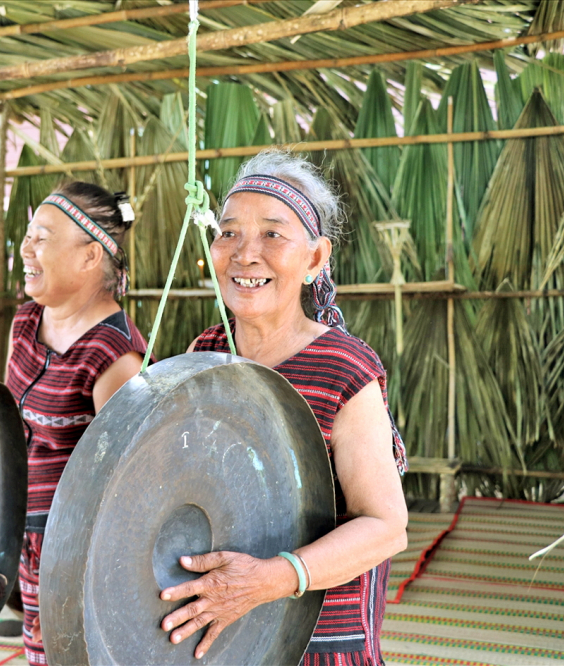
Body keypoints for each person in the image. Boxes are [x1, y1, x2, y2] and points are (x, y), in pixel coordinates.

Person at [161, 150, 408, 665]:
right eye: (228, 233)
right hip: (225, 637)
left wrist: (270, 579)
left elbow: (386, 526)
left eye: (272, 234)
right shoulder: (203, 354)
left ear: (315, 258)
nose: (245, 254)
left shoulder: (344, 368)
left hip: (319, 643)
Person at [6, 182, 147, 665]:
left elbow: (122, 490)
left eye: (41, 237)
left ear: (89, 257)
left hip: (78, 553)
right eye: (27, 235)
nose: (26, 248)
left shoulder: (116, 357)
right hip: (25, 537)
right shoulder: (26, 320)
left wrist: (73, 573)